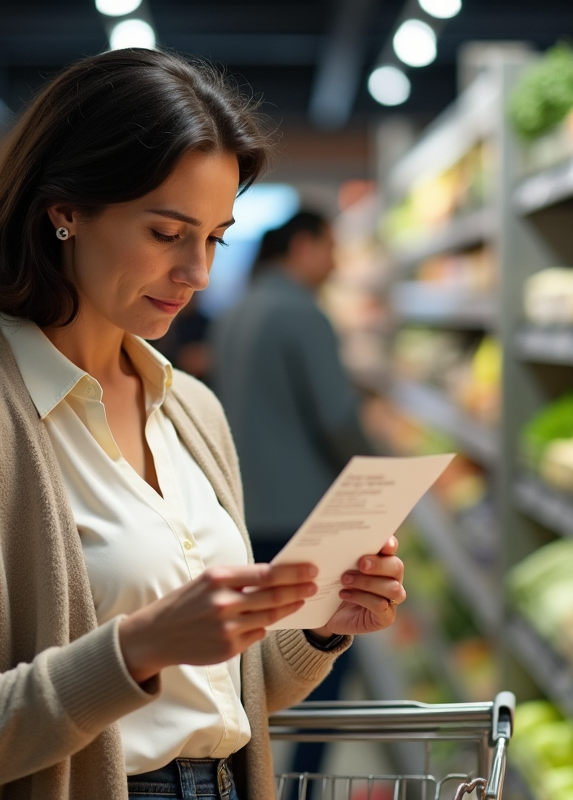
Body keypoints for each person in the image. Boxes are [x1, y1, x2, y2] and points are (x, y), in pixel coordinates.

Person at [0, 49, 408, 800]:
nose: (200, 273)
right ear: (65, 210)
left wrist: (320, 626)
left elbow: (223, 696)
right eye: (167, 233)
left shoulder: (191, 408)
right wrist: (135, 650)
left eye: (215, 237)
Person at [210, 210, 376, 778]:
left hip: (241, 514)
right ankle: (299, 781)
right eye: (331, 246)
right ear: (303, 246)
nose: (336, 262)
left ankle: (257, 774)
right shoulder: (302, 313)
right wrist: (384, 479)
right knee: (315, 664)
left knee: (250, 666)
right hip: (306, 520)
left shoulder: (235, 310)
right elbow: (337, 419)